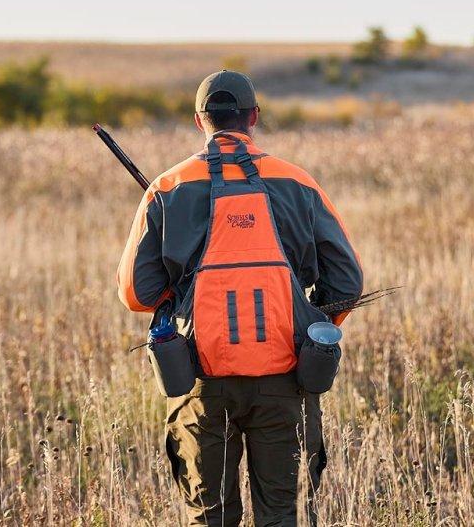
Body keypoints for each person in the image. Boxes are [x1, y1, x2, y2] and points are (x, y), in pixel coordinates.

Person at [116, 70, 363, 526]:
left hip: (200, 382)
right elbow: (347, 282)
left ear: (199, 121)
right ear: (254, 117)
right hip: (286, 378)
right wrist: (305, 322)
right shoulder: (299, 183)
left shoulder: (167, 188)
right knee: (283, 516)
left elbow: (136, 292)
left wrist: (189, 297)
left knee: (211, 518)